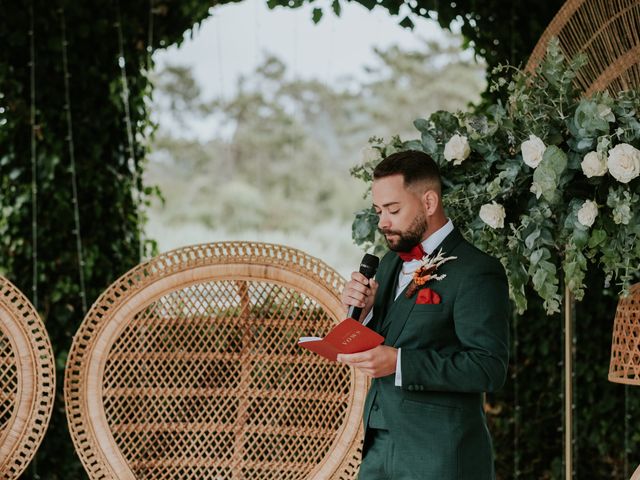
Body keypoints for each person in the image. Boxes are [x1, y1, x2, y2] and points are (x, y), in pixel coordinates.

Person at [339, 150, 510, 480]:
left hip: (441, 457)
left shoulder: (477, 271)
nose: (382, 222)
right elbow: (394, 334)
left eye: (393, 209)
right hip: (377, 450)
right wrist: (366, 313)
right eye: (378, 211)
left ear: (429, 203)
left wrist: (400, 363)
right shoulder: (388, 263)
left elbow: (489, 368)